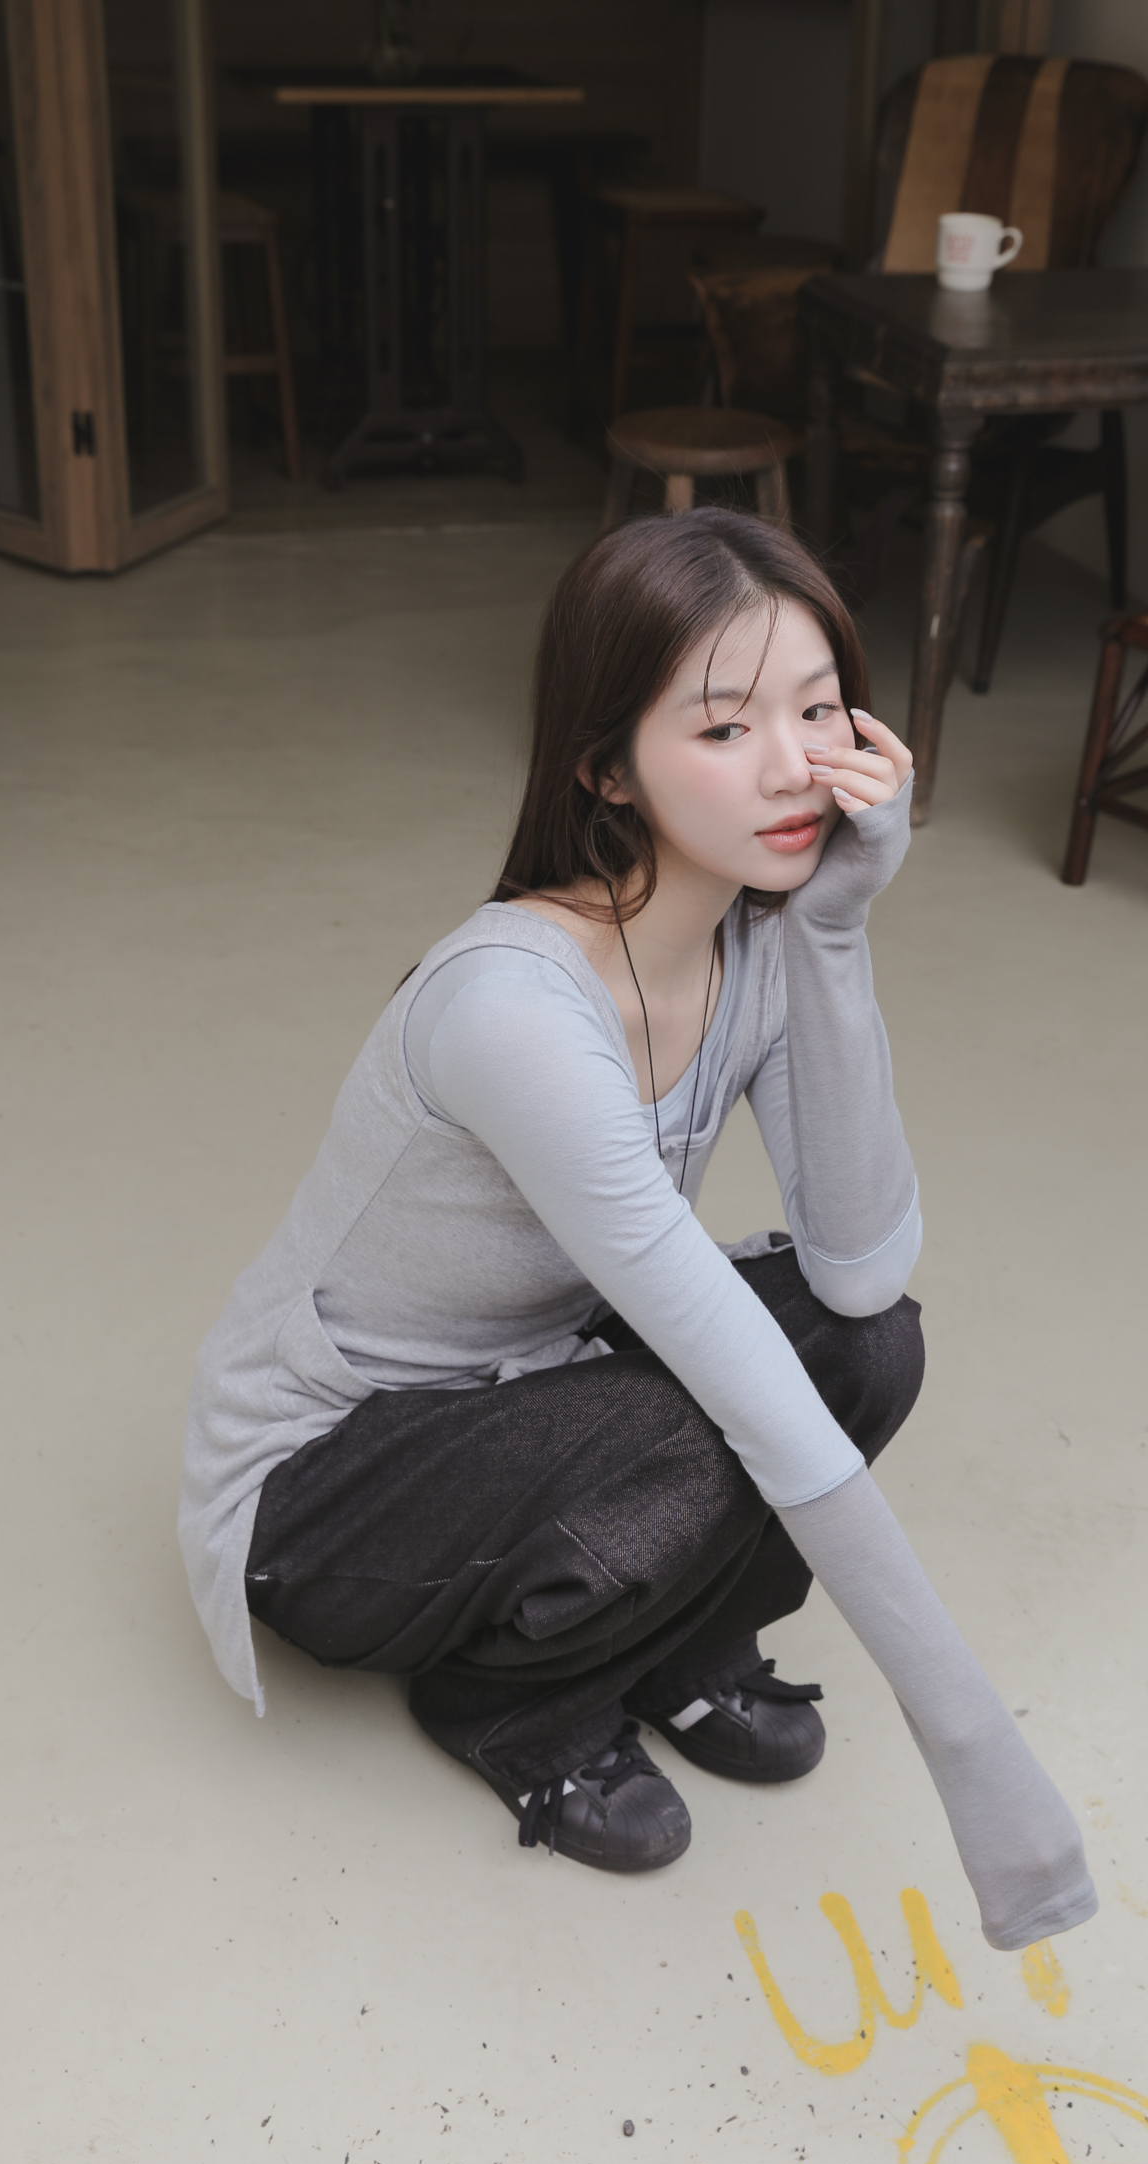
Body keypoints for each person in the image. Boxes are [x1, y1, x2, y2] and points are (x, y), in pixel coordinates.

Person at [179, 509, 1096, 1951]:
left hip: (536, 1388)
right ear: (606, 765)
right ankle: (506, 1699)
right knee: (722, 1412)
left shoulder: (758, 940)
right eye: (724, 727)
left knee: (862, 1348)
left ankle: (668, 1637)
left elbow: (859, 1270)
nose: (792, 767)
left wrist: (835, 933)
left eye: (817, 711)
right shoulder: (511, 1011)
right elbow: (744, 1387)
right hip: (330, 1489)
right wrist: (980, 1758)